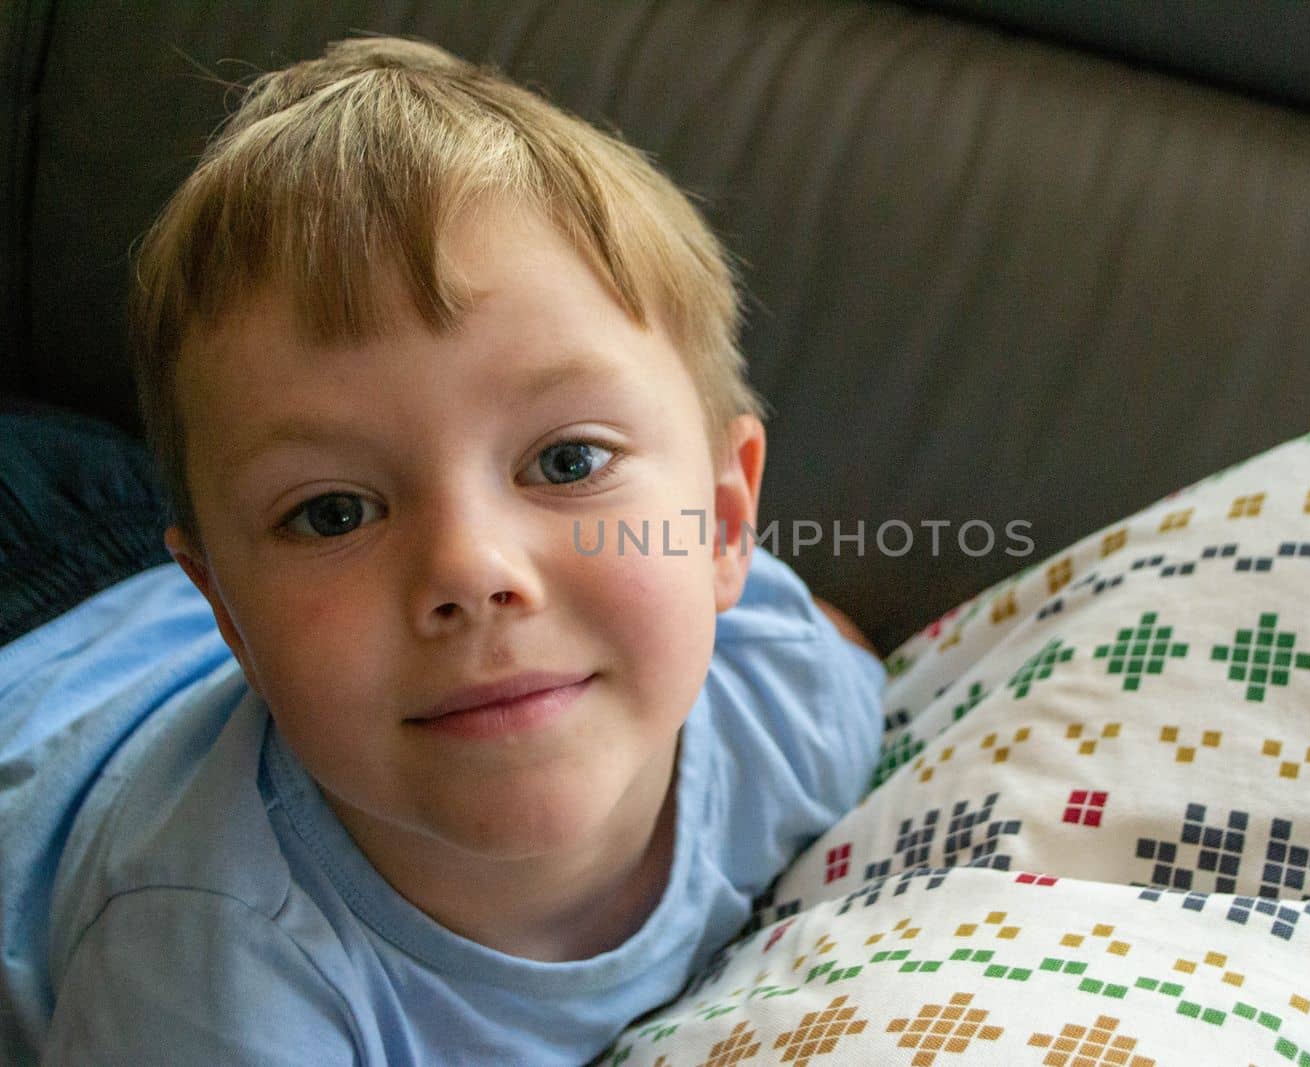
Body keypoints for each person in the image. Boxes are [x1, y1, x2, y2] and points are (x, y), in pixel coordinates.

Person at [0, 35, 885, 1065]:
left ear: (724, 526)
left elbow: (837, 645)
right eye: (333, 512)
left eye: (565, 461)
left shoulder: (783, 696)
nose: (470, 568)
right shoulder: (214, 968)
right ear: (230, 611)